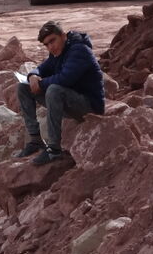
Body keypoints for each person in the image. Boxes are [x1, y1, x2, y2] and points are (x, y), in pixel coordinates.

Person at [15, 20, 106, 165]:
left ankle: (54, 149)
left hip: (90, 107)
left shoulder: (79, 50)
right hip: (70, 102)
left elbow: (65, 79)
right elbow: (42, 68)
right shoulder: (58, 52)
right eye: (46, 44)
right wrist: (32, 76)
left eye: (52, 41)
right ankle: (35, 140)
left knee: (54, 89)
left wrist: (40, 83)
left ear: (63, 36)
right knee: (23, 88)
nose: (50, 47)